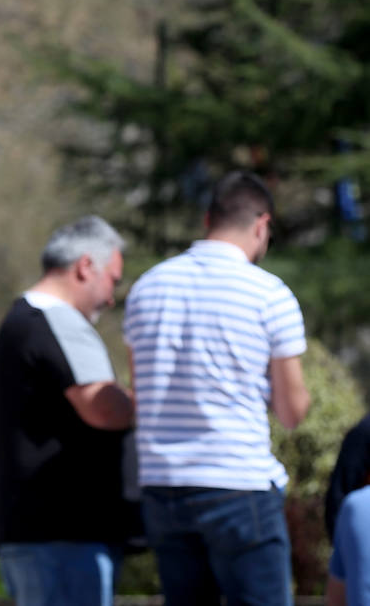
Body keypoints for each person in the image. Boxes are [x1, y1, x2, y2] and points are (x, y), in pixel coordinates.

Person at [124, 170, 310, 606]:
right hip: (237, 480)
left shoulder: (146, 288)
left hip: (163, 484)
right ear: (261, 225)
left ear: (208, 219)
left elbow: (140, 391)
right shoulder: (268, 294)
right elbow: (292, 412)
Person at [0, 214, 139, 606]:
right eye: (113, 280)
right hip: (64, 538)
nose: (111, 298)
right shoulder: (57, 320)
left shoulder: (22, 320)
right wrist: (142, 393)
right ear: (85, 267)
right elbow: (105, 409)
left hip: (37, 535)